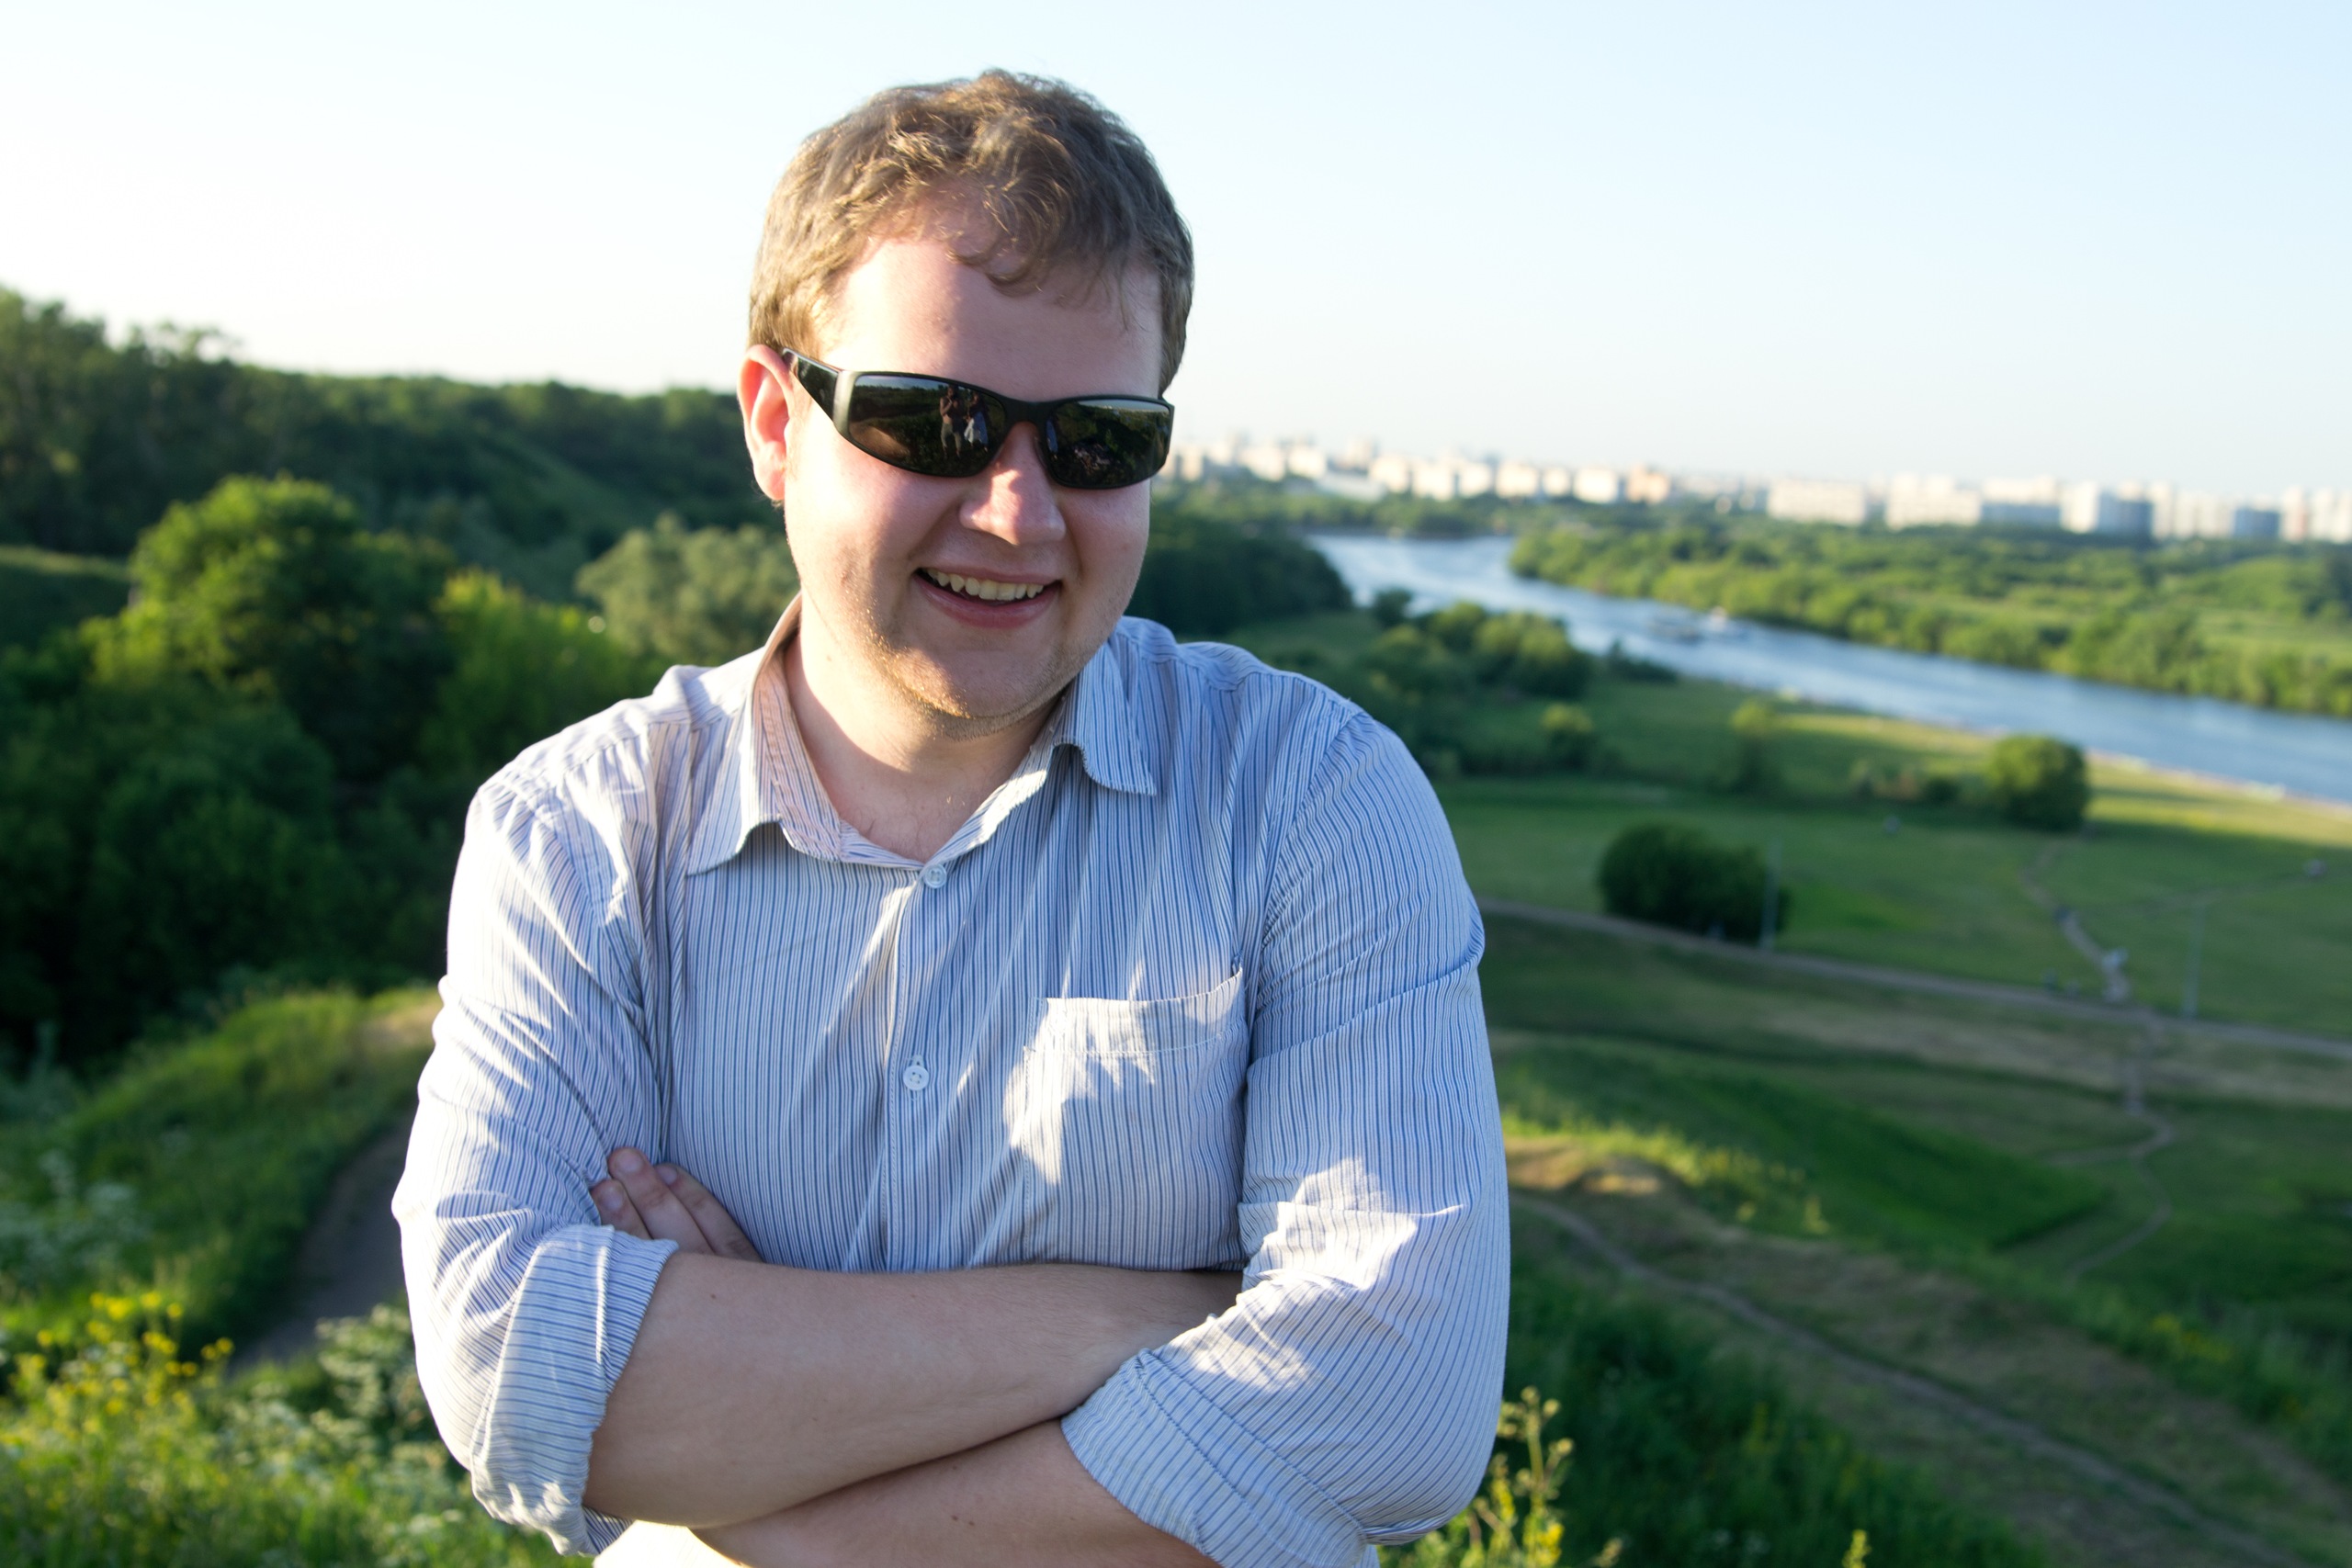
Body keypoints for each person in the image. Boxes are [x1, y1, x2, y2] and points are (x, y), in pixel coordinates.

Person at [395, 71, 1508, 1568]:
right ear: (776, 425)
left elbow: (1394, 1406)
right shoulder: (579, 837)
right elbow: (513, 1383)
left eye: (1097, 440)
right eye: (936, 422)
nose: (1018, 512)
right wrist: (1152, 1317)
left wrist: (757, 1502)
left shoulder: (1311, 801)